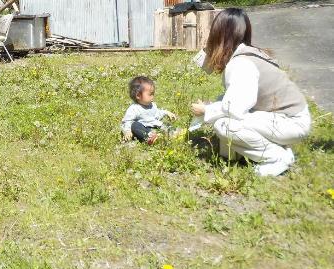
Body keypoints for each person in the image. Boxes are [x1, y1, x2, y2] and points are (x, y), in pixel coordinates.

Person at [190, 8, 311, 176]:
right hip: (287, 117)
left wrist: (206, 110)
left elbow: (234, 110)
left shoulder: (240, 64)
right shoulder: (248, 54)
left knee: (224, 125)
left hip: (291, 122)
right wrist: (215, 105)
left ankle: (277, 157)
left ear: (220, 35)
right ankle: (238, 156)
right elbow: (238, 99)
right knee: (224, 114)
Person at [121, 76, 177, 145]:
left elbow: (157, 114)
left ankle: (174, 133)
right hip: (145, 129)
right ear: (138, 95)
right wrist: (127, 131)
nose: (153, 97)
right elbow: (127, 121)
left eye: (153, 94)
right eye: (150, 94)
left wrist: (166, 112)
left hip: (155, 126)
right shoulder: (134, 108)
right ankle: (150, 138)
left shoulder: (152, 105)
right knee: (135, 126)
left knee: (165, 124)